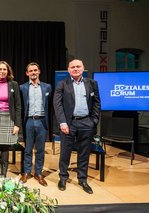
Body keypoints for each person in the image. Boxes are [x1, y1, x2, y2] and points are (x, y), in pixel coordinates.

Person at [53, 59, 101, 194]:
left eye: (78, 66)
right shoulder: (62, 84)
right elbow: (57, 105)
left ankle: (82, 179)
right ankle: (63, 177)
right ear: (68, 70)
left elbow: (97, 103)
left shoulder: (92, 83)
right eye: (72, 67)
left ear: (83, 68)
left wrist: (94, 121)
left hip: (86, 123)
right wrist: (62, 122)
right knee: (65, 152)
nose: (75, 69)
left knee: (84, 152)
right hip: (69, 123)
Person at [0, 61, 21, 179]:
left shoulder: (14, 84)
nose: (2, 71)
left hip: (9, 118)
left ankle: (3, 175)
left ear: (8, 71)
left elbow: (18, 106)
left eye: (4, 69)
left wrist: (17, 124)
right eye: (0, 69)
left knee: (6, 147)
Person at [19, 62, 52, 186]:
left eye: (35, 70)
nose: (33, 72)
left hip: (41, 121)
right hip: (28, 121)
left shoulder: (47, 87)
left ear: (39, 71)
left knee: (40, 150)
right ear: (27, 73)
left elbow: (50, 106)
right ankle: (26, 172)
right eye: (30, 71)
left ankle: (38, 173)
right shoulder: (23, 87)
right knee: (27, 149)